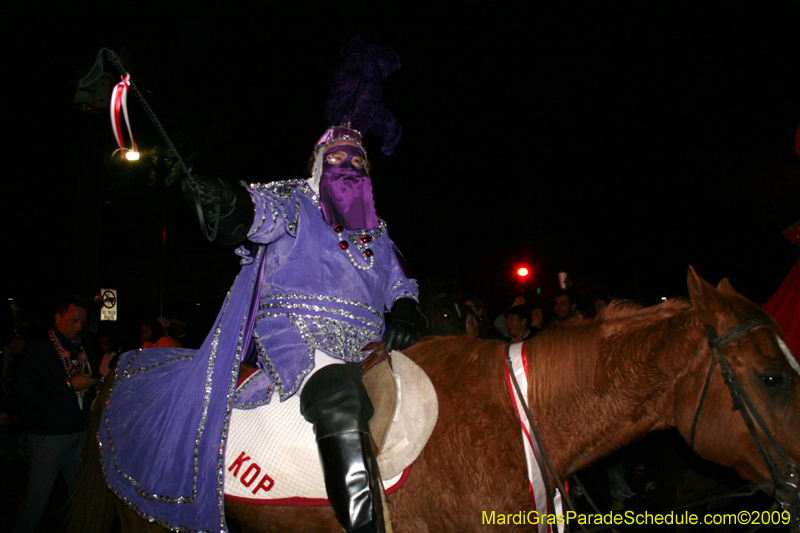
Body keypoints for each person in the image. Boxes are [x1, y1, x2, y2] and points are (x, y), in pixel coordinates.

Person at [100, 38, 419, 533]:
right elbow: (254, 214)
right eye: (337, 158)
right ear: (317, 165)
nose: (349, 166)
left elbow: (400, 282)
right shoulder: (293, 203)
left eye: (358, 161)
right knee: (339, 397)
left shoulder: (377, 232)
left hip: (371, 346)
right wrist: (227, 201)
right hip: (299, 341)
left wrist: (405, 309)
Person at [12, 295, 98, 533]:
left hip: (79, 435)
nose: (79, 326)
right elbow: (26, 393)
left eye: (82, 321)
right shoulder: (39, 349)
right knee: (35, 502)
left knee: (79, 498)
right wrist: (69, 385)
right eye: (73, 321)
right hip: (48, 439)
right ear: (58, 318)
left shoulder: (82, 348)